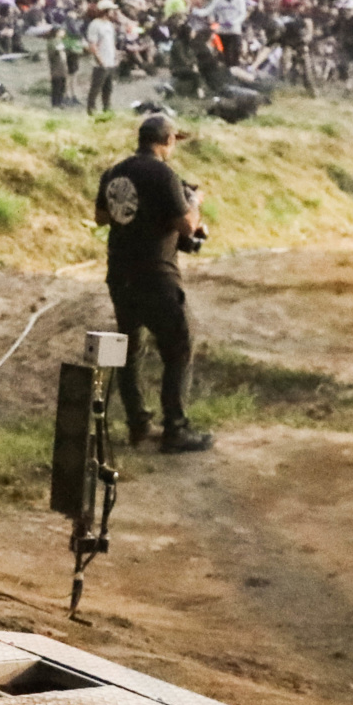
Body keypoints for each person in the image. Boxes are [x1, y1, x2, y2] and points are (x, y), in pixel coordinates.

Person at [93, 115, 212, 453]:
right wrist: (194, 203)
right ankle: (175, 428)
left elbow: (101, 217)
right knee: (180, 345)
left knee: (129, 351)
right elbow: (188, 226)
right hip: (156, 274)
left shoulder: (115, 172)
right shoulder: (164, 174)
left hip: (120, 274)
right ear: (167, 140)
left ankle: (138, 425)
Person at [83, 1, 120, 113]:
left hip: (110, 61)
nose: (113, 12)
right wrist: (100, 60)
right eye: (111, 10)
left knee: (108, 89)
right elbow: (93, 45)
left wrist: (115, 56)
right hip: (100, 62)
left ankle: (107, 109)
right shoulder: (95, 25)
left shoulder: (109, 25)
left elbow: (111, 42)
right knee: (96, 88)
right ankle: (91, 110)